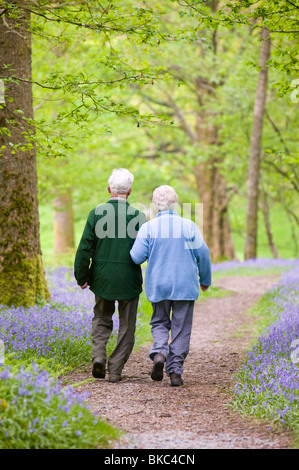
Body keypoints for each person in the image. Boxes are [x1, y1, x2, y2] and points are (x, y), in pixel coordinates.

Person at [130, 185, 212, 387]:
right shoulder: (188, 226)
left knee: (159, 321)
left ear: (156, 205)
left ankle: (159, 352)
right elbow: (203, 254)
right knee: (181, 328)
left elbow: (136, 257)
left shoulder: (148, 228)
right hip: (185, 284)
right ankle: (175, 372)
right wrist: (205, 280)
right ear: (175, 203)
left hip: (159, 284)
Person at [74, 169, 147, 383]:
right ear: (130, 191)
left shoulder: (96, 213)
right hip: (129, 279)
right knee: (127, 325)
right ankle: (115, 369)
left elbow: (84, 248)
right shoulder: (138, 216)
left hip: (102, 277)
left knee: (101, 318)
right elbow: (143, 251)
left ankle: (98, 357)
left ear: (109, 189)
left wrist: (82, 276)